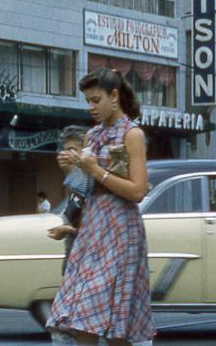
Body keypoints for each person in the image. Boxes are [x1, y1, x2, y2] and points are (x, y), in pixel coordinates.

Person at [45, 68, 154, 346]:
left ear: (114, 96)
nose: (91, 107)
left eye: (96, 100)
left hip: (120, 230)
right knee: (83, 318)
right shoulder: (93, 136)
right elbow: (85, 189)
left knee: (119, 324)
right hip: (93, 230)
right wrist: (72, 171)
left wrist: (95, 170)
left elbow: (138, 191)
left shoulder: (132, 135)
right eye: (88, 102)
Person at [53, 125, 91, 275]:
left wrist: (68, 230)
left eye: (73, 149)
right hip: (74, 260)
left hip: (88, 263)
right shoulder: (76, 179)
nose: (68, 154)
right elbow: (72, 210)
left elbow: (86, 194)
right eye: (66, 150)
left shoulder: (95, 178)